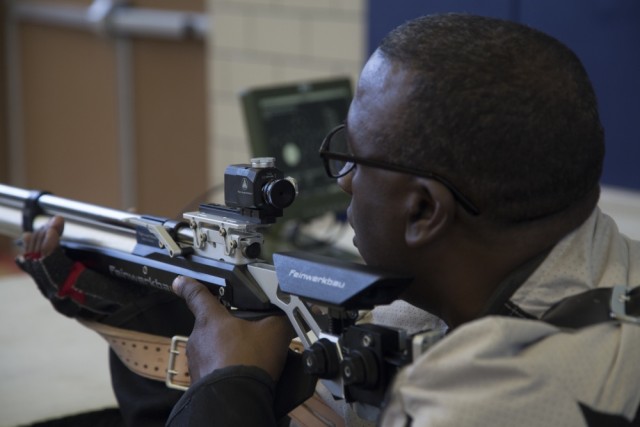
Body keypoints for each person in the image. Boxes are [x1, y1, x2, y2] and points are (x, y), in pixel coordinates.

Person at [18, 12, 640, 427]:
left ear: (422, 209)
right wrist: (134, 310)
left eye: (351, 158)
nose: (341, 180)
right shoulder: (616, 272)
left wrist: (228, 387)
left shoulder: (483, 402)